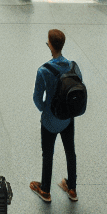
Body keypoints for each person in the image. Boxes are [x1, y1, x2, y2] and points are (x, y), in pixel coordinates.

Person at [29, 28, 80, 203]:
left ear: (50, 45)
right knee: (70, 151)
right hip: (67, 119)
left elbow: (37, 98)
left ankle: (45, 190)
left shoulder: (43, 71)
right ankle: (72, 188)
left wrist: (45, 109)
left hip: (50, 120)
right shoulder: (73, 66)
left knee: (48, 154)